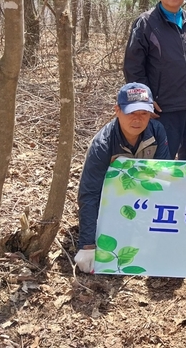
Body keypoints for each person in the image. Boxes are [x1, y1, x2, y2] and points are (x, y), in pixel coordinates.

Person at [75, 83, 170, 273]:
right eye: (131, 113)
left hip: (143, 202)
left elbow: (164, 178)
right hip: (108, 206)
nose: (137, 120)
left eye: (144, 113)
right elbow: (90, 192)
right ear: (117, 110)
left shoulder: (157, 132)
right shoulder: (103, 143)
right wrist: (87, 245)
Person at [123, 0, 186, 160]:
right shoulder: (146, 23)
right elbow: (133, 66)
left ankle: (185, 192)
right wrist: (145, 99)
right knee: (161, 164)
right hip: (163, 108)